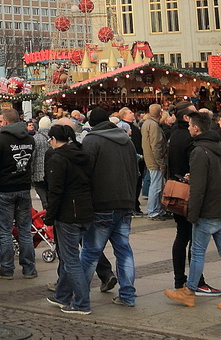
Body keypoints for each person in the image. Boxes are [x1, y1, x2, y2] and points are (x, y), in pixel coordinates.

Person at [164, 111, 221, 312]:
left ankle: (189, 291)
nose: (188, 129)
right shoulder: (219, 148)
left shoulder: (199, 151)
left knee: (197, 252)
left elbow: (199, 187)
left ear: (195, 128)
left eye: (190, 126)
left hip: (207, 210)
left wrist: (192, 214)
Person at [78, 107, 137, 307]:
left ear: (92, 123)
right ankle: (128, 295)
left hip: (101, 204)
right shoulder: (126, 141)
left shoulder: (91, 140)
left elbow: (85, 174)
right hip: (125, 202)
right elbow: (134, 171)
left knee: (90, 252)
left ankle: (80, 298)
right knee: (124, 251)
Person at [167, 102, 219, 296]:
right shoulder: (189, 138)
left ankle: (181, 279)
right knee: (192, 239)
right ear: (186, 118)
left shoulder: (175, 134)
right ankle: (195, 281)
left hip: (178, 191)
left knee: (183, 236)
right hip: (189, 192)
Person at [44, 122, 94, 315]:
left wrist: (49, 216)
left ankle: (82, 303)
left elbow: (55, 190)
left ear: (54, 140)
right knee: (68, 257)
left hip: (68, 213)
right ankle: (62, 295)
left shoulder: (58, 159)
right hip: (84, 210)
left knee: (70, 259)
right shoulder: (83, 155)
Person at [0, 110, 37, 279]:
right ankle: (29, 268)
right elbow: (31, 162)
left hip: (5, 189)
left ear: (6, 122)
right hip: (23, 188)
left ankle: (7, 268)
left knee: (5, 231)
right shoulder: (30, 139)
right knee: (25, 231)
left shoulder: (0, 140)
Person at [141, 104, 168, 219]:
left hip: (149, 158)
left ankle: (155, 209)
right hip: (155, 160)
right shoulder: (154, 126)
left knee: (155, 184)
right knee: (156, 186)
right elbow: (156, 145)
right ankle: (154, 210)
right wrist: (161, 162)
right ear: (160, 113)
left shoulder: (146, 123)